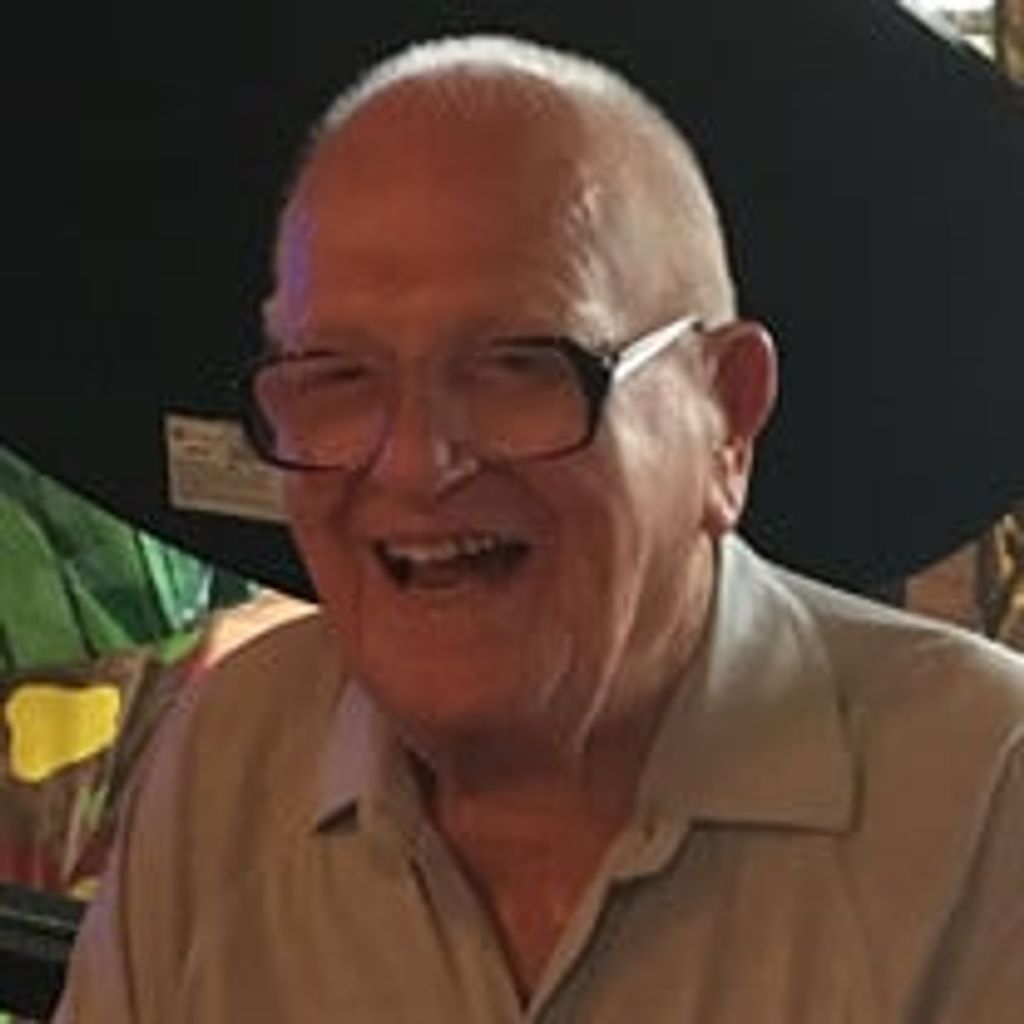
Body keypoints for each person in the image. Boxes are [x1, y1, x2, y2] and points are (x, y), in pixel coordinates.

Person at [54, 35, 1024, 1023]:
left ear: (725, 419)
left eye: (519, 365)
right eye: (338, 375)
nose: (414, 463)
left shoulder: (986, 801)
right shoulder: (231, 758)